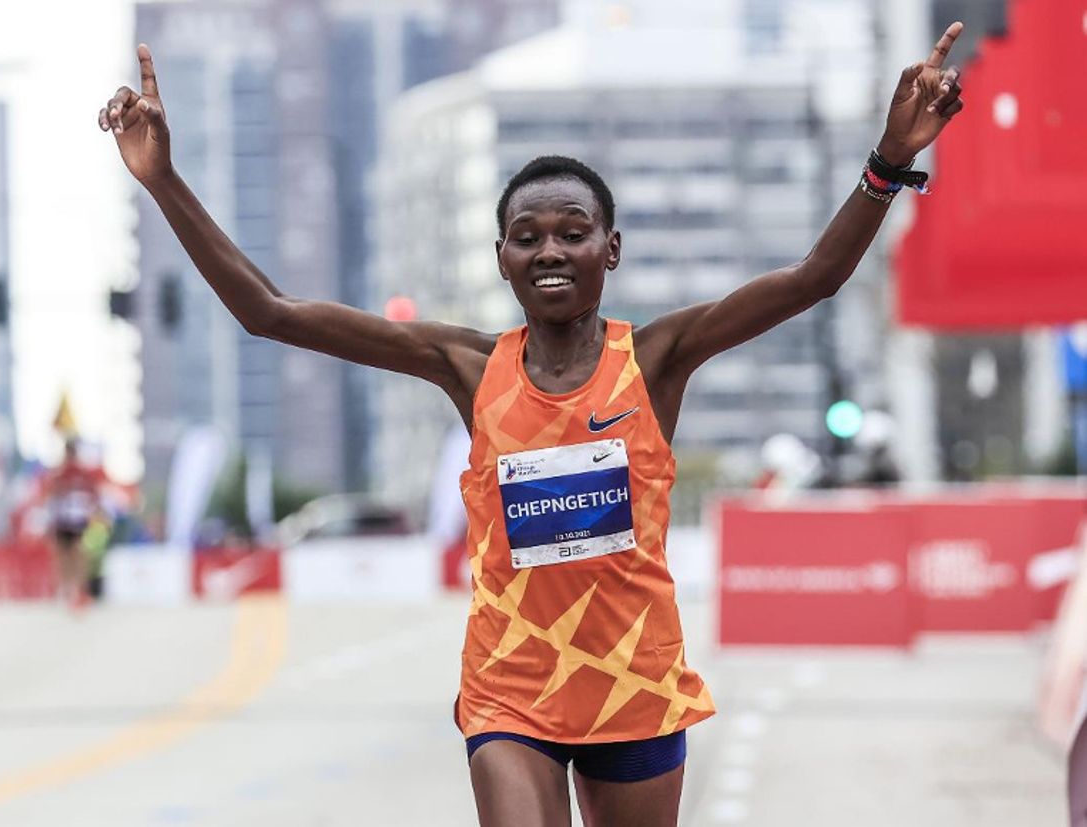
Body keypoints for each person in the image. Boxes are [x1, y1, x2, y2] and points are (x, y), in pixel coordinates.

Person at [100, 23, 966, 826]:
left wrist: (890, 158)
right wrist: (163, 180)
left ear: (610, 249)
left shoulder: (659, 357)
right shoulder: (468, 367)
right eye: (527, 235)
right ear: (502, 257)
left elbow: (814, 277)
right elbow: (272, 312)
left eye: (572, 232)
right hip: (510, 688)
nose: (549, 250)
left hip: (633, 680)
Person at [40, 438, 109, 608]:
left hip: (78, 520)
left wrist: (97, 514)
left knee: (77, 554)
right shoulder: (58, 473)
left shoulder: (82, 473)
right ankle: (66, 588)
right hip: (63, 520)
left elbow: (94, 496)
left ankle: (78, 588)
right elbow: (49, 496)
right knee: (64, 556)